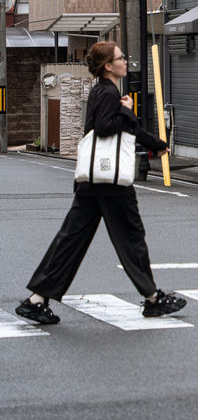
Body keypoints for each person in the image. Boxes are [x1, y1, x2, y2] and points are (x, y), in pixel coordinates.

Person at [15, 41, 187, 325]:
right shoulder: (109, 93)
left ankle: (36, 299)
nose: (125, 62)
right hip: (109, 181)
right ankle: (152, 299)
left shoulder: (101, 91)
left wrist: (153, 141)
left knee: (70, 240)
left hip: (92, 181)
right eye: (121, 58)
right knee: (131, 236)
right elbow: (106, 128)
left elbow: (113, 126)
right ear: (108, 66)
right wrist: (130, 113)